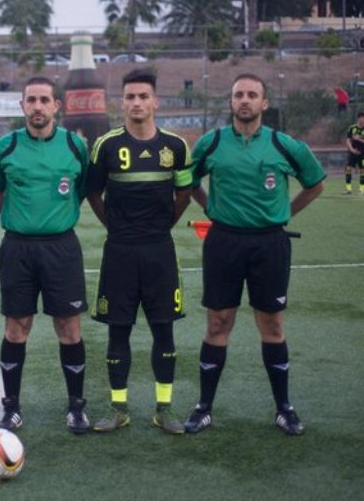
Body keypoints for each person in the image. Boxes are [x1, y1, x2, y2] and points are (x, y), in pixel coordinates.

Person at [184, 73, 326, 436]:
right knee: (218, 322)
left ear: (264, 103)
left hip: (270, 244)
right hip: (224, 242)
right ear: (230, 102)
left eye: (252, 94)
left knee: (272, 324)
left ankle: (284, 408)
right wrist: (210, 207)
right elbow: (188, 182)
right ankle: (203, 407)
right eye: (239, 95)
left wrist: (285, 213)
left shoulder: (283, 145)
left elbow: (315, 184)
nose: (245, 100)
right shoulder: (211, 143)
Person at [86, 69, 192, 435]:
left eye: (143, 96)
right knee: (118, 331)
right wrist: (114, 226)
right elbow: (92, 192)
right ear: (122, 103)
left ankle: (165, 408)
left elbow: (184, 192)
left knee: (164, 330)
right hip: (119, 252)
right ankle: (118, 408)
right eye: (130, 97)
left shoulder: (175, 147)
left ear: (155, 101)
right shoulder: (106, 145)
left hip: (160, 251)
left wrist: (164, 225)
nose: (136, 103)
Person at [0, 76, 91, 434]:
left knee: (69, 327)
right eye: (31, 100)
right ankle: (12, 408)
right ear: (22, 106)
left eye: (44, 100)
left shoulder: (75, 146)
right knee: (17, 327)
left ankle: (76, 407)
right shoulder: (6, 147)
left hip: (62, 247)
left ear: (56, 105)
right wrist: (22, 219)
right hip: (17, 248)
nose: (37, 107)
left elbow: (81, 188)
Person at [343, 110, 364, 194]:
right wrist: (351, 149)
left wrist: (359, 138)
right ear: (358, 118)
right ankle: (348, 189)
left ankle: (362, 190)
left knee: (362, 170)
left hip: (363, 153)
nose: (363, 120)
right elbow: (348, 140)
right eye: (361, 118)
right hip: (353, 152)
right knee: (348, 169)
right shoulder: (352, 128)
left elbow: (358, 139)